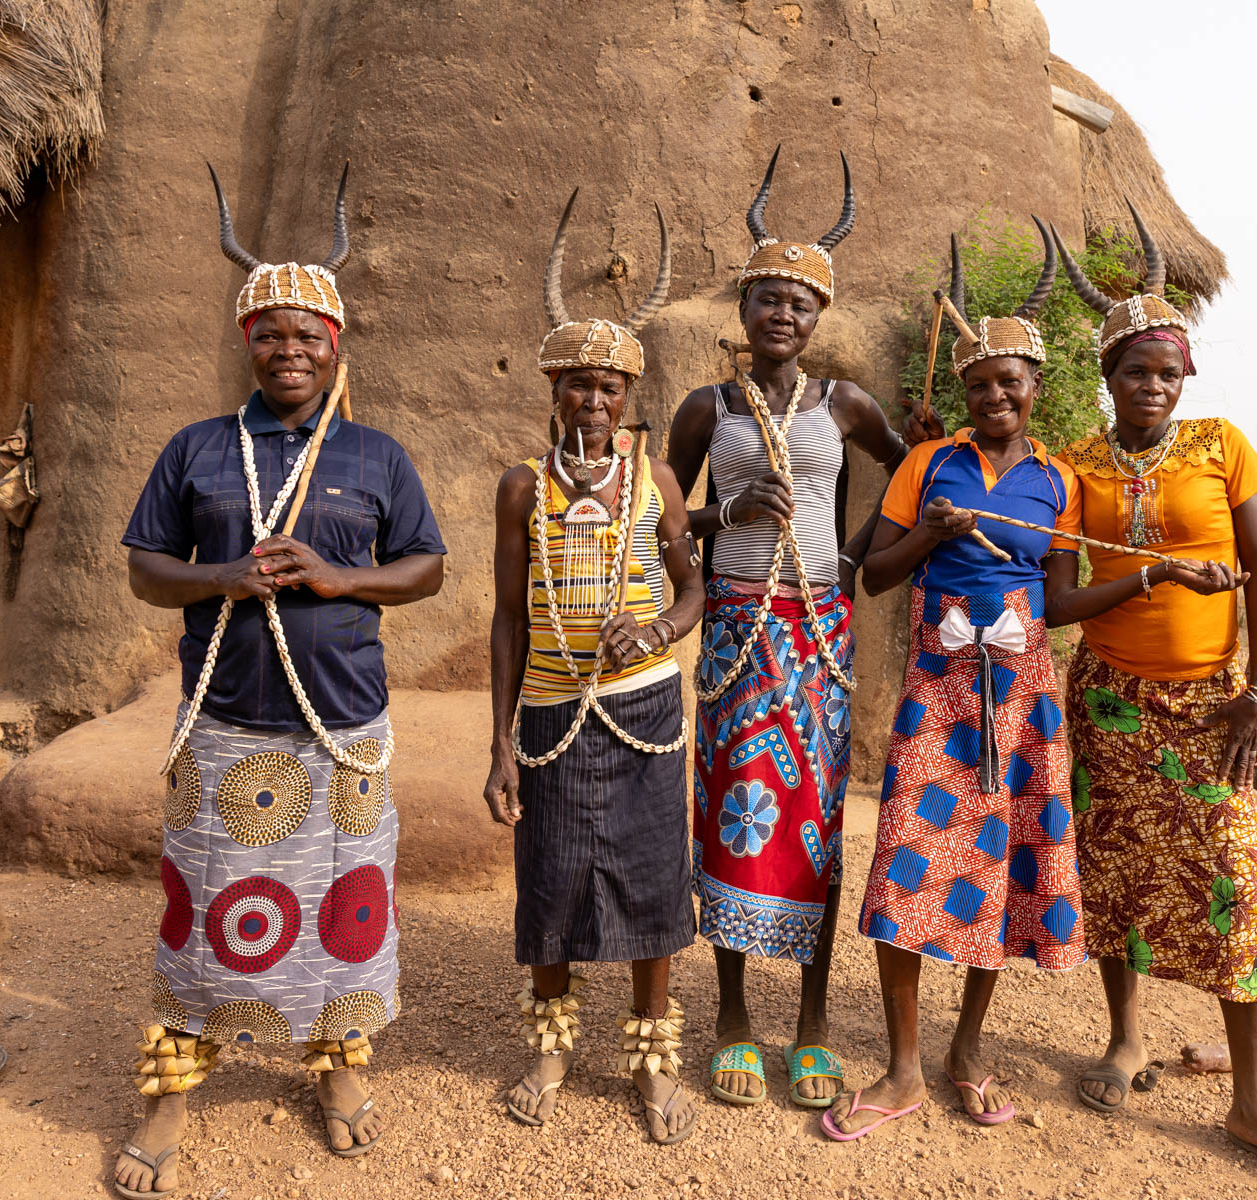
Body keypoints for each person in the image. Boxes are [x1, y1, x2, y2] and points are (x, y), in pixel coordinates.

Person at [113, 165, 446, 1199]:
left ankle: (340, 1070)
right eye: (269, 332)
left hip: (342, 727)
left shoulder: (375, 456)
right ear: (245, 342)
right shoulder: (199, 450)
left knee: (345, 911)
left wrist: (341, 574)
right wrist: (220, 575)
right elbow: (141, 565)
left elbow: (426, 564)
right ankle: (169, 1097)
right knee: (204, 908)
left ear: (334, 344)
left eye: (307, 335)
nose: (288, 350)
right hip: (223, 727)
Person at [1048, 206, 1257, 1197]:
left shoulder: (1222, 446)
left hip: (1209, 708)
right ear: (1109, 378)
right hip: (1107, 706)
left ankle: (1253, 1101)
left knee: (1230, 890)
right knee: (1115, 877)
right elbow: (1056, 599)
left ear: (1184, 381)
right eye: (1134, 370)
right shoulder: (1075, 467)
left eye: (1166, 371)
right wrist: (1149, 582)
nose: (1151, 385)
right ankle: (1125, 1037)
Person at [667, 147, 941, 1110]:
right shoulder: (706, 409)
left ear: (818, 319)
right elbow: (663, 517)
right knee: (736, 818)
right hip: (739, 631)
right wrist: (728, 520)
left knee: (817, 823)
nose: (782, 316)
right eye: (766, 301)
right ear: (741, 314)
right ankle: (733, 1018)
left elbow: (913, 479)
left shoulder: (845, 406)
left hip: (819, 632)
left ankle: (814, 1023)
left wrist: (854, 553)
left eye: (799, 304)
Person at [825, 225, 1087, 1139]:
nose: (994, 395)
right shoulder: (926, 463)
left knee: (1004, 865)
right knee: (908, 853)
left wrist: (1156, 578)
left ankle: (964, 1050)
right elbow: (878, 577)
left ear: (1032, 389)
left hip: (1021, 690)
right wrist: (934, 532)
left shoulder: (1059, 483)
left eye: (1009, 382)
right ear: (963, 395)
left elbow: (1057, 601)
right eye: (978, 385)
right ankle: (901, 1066)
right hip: (937, 686)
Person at [484, 193, 706, 1147]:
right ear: (552, 391)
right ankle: (550, 1044)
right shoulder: (520, 487)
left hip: (644, 712)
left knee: (654, 880)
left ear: (628, 398)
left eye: (609, 388)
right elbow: (505, 619)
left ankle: (653, 1058)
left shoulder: (654, 476)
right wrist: (498, 742)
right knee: (554, 878)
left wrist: (656, 632)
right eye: (577, 385)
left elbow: (697, 593)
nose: (593, 401)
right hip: (548, 715)